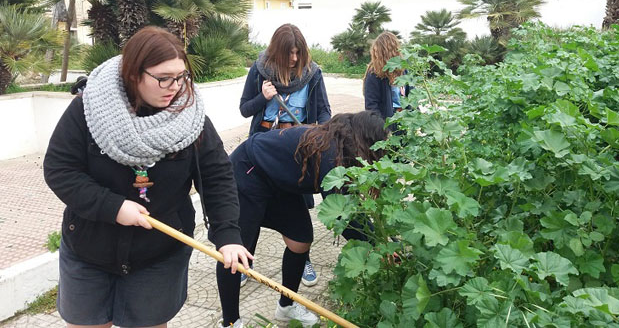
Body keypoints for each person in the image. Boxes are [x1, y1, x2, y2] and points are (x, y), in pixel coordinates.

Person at [43, 26, 252, 328]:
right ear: (133, 74)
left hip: (159, 252)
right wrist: (113, 207)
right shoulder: (87, 110)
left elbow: (217, 176)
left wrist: (228, 235)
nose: (175, 87)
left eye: (181, 76)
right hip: (90, 247)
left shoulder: (190, 118)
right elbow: (59, 169)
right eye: (163, 78)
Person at [216, 111, 388, 328]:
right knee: (236, 252)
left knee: (300, 240)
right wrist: (379, 246)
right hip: (248, 171)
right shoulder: (331, 153)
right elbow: (341, 214)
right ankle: (231, 322)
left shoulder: (343, 150)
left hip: (279, 181)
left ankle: (286, 307)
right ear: (364, 139)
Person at [239, 23, 331, 287]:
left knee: (298, 203)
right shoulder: (260, 72)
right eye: (289, 53)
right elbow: (245, 109)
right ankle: (246, 260)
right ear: (276, 52)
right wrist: (263, 98)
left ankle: (303, 259)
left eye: (298, 53)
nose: (294, 59)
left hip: (298, 147)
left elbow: (324, 111)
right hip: (263, 146)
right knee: (253, 203)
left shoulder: (313, 74)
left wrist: (319, 131)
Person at [363, 31, 410, 121]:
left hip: (405, 121)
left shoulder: (403, 69)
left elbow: (412, 97)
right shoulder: (374, 73)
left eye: (377, 52)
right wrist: (381, 129)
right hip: (386, 123)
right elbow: (371, 107)